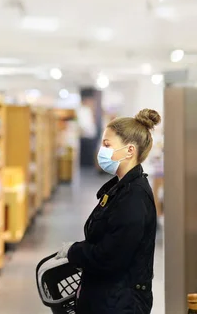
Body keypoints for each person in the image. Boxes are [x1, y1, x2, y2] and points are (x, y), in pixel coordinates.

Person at [55, 108, 161, 314]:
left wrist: (74, 251)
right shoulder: (121, 188)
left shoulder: (134, 198)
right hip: (109, 299)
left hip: (121, 304)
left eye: (107, 145)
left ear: (129, 150)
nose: (101, 151)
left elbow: (110, 257)